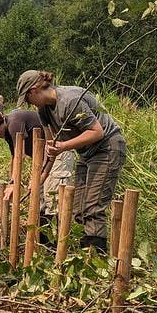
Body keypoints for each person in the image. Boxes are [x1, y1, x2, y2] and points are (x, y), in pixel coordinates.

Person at [16, 70, 126, 253]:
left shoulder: (69, 101)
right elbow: (50, 147)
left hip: (107, 147)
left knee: (93, 207)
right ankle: (84, 254)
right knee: (78, 210)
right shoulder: (43, 111)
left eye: (27, 99)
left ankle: (94, 261)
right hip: (86, 152)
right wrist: (41, 177)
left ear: (34, 89)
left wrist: (64, 146)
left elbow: (97, 132)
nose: (28, 104)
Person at [0, 107, 74, 230]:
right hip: (44, 159)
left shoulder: (14, 122)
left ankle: (56, 243)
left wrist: (14, 184)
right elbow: (14, 157)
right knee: (39, 197)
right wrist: (11, 181)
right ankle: (44, 241)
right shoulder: (8, 133)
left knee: (52, 197)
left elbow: (20, 156)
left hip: (58, 152)